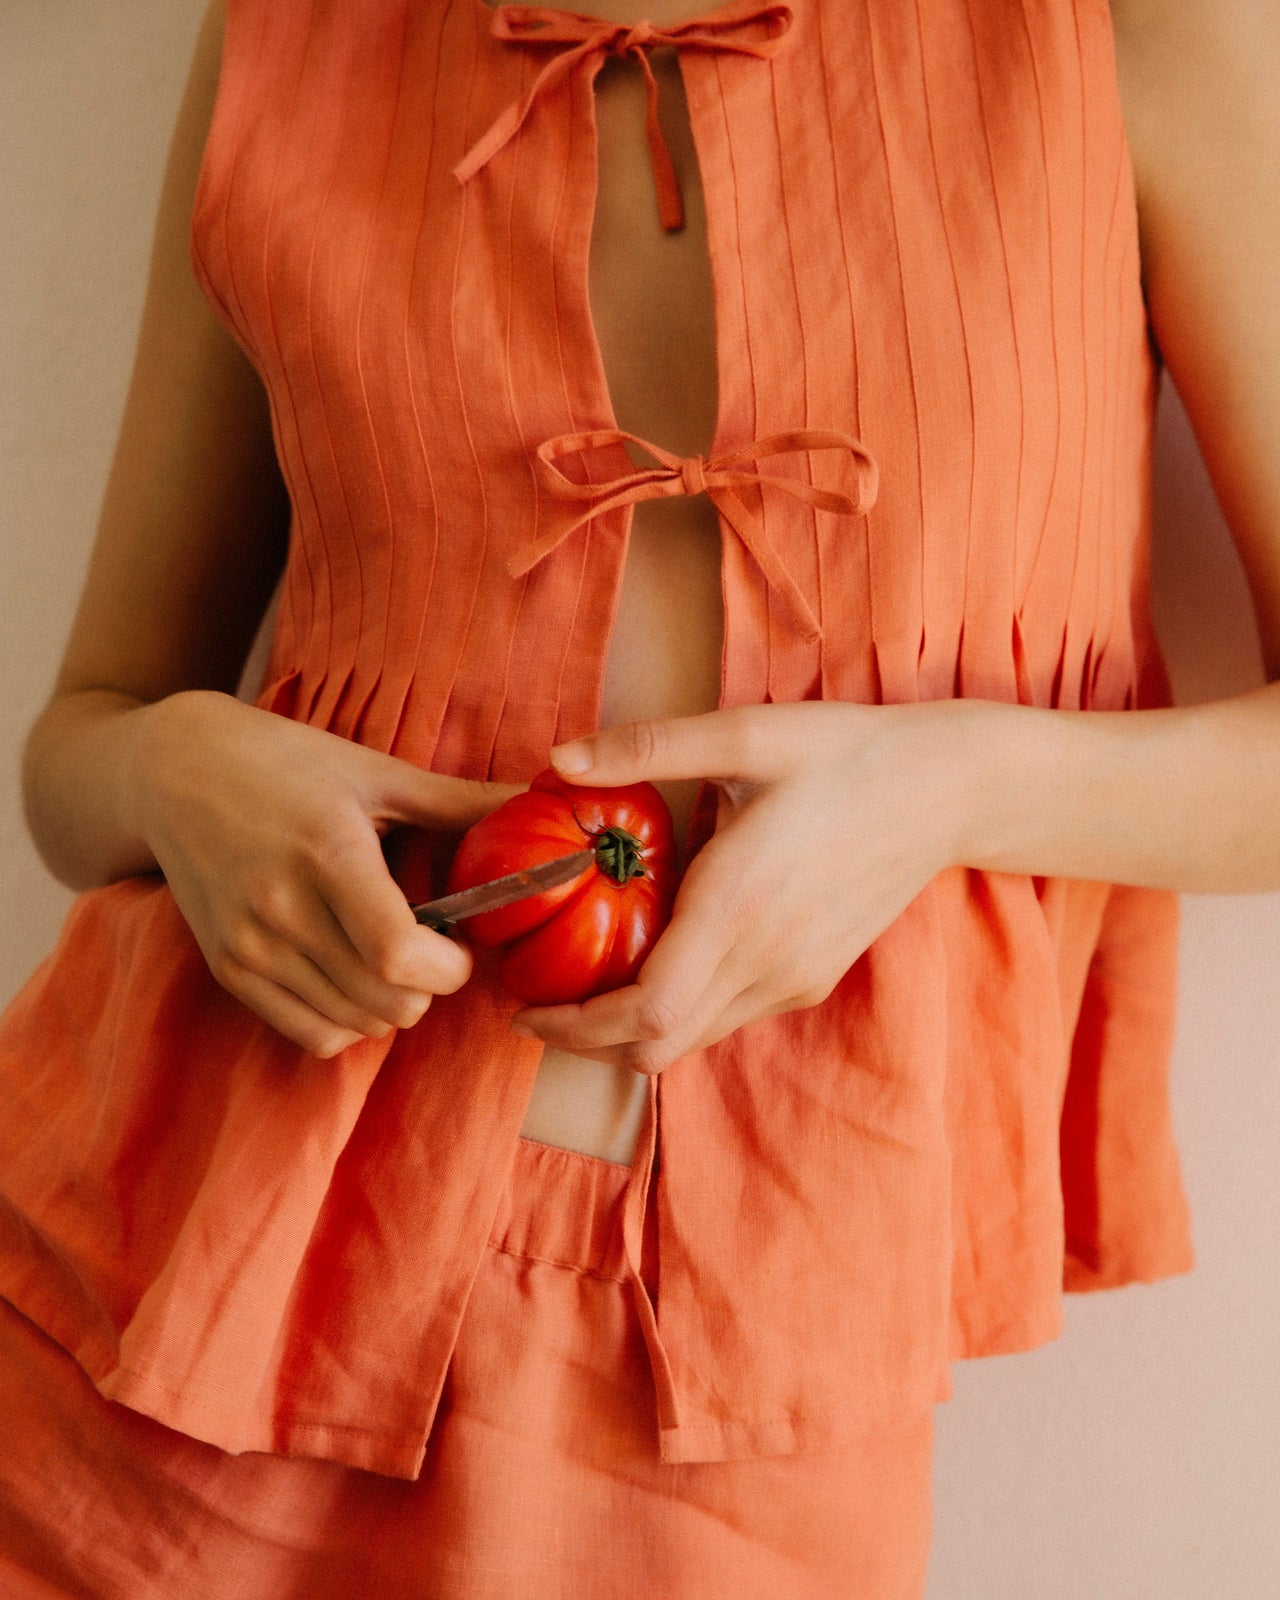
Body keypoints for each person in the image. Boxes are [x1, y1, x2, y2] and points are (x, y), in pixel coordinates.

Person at [0, 0, 1277, 1594]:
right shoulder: (291, 34)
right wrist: (175, 772)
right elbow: (81, 747)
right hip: (159, 1292)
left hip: (733, 1372)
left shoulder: (1129, 29)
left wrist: (939, 788)